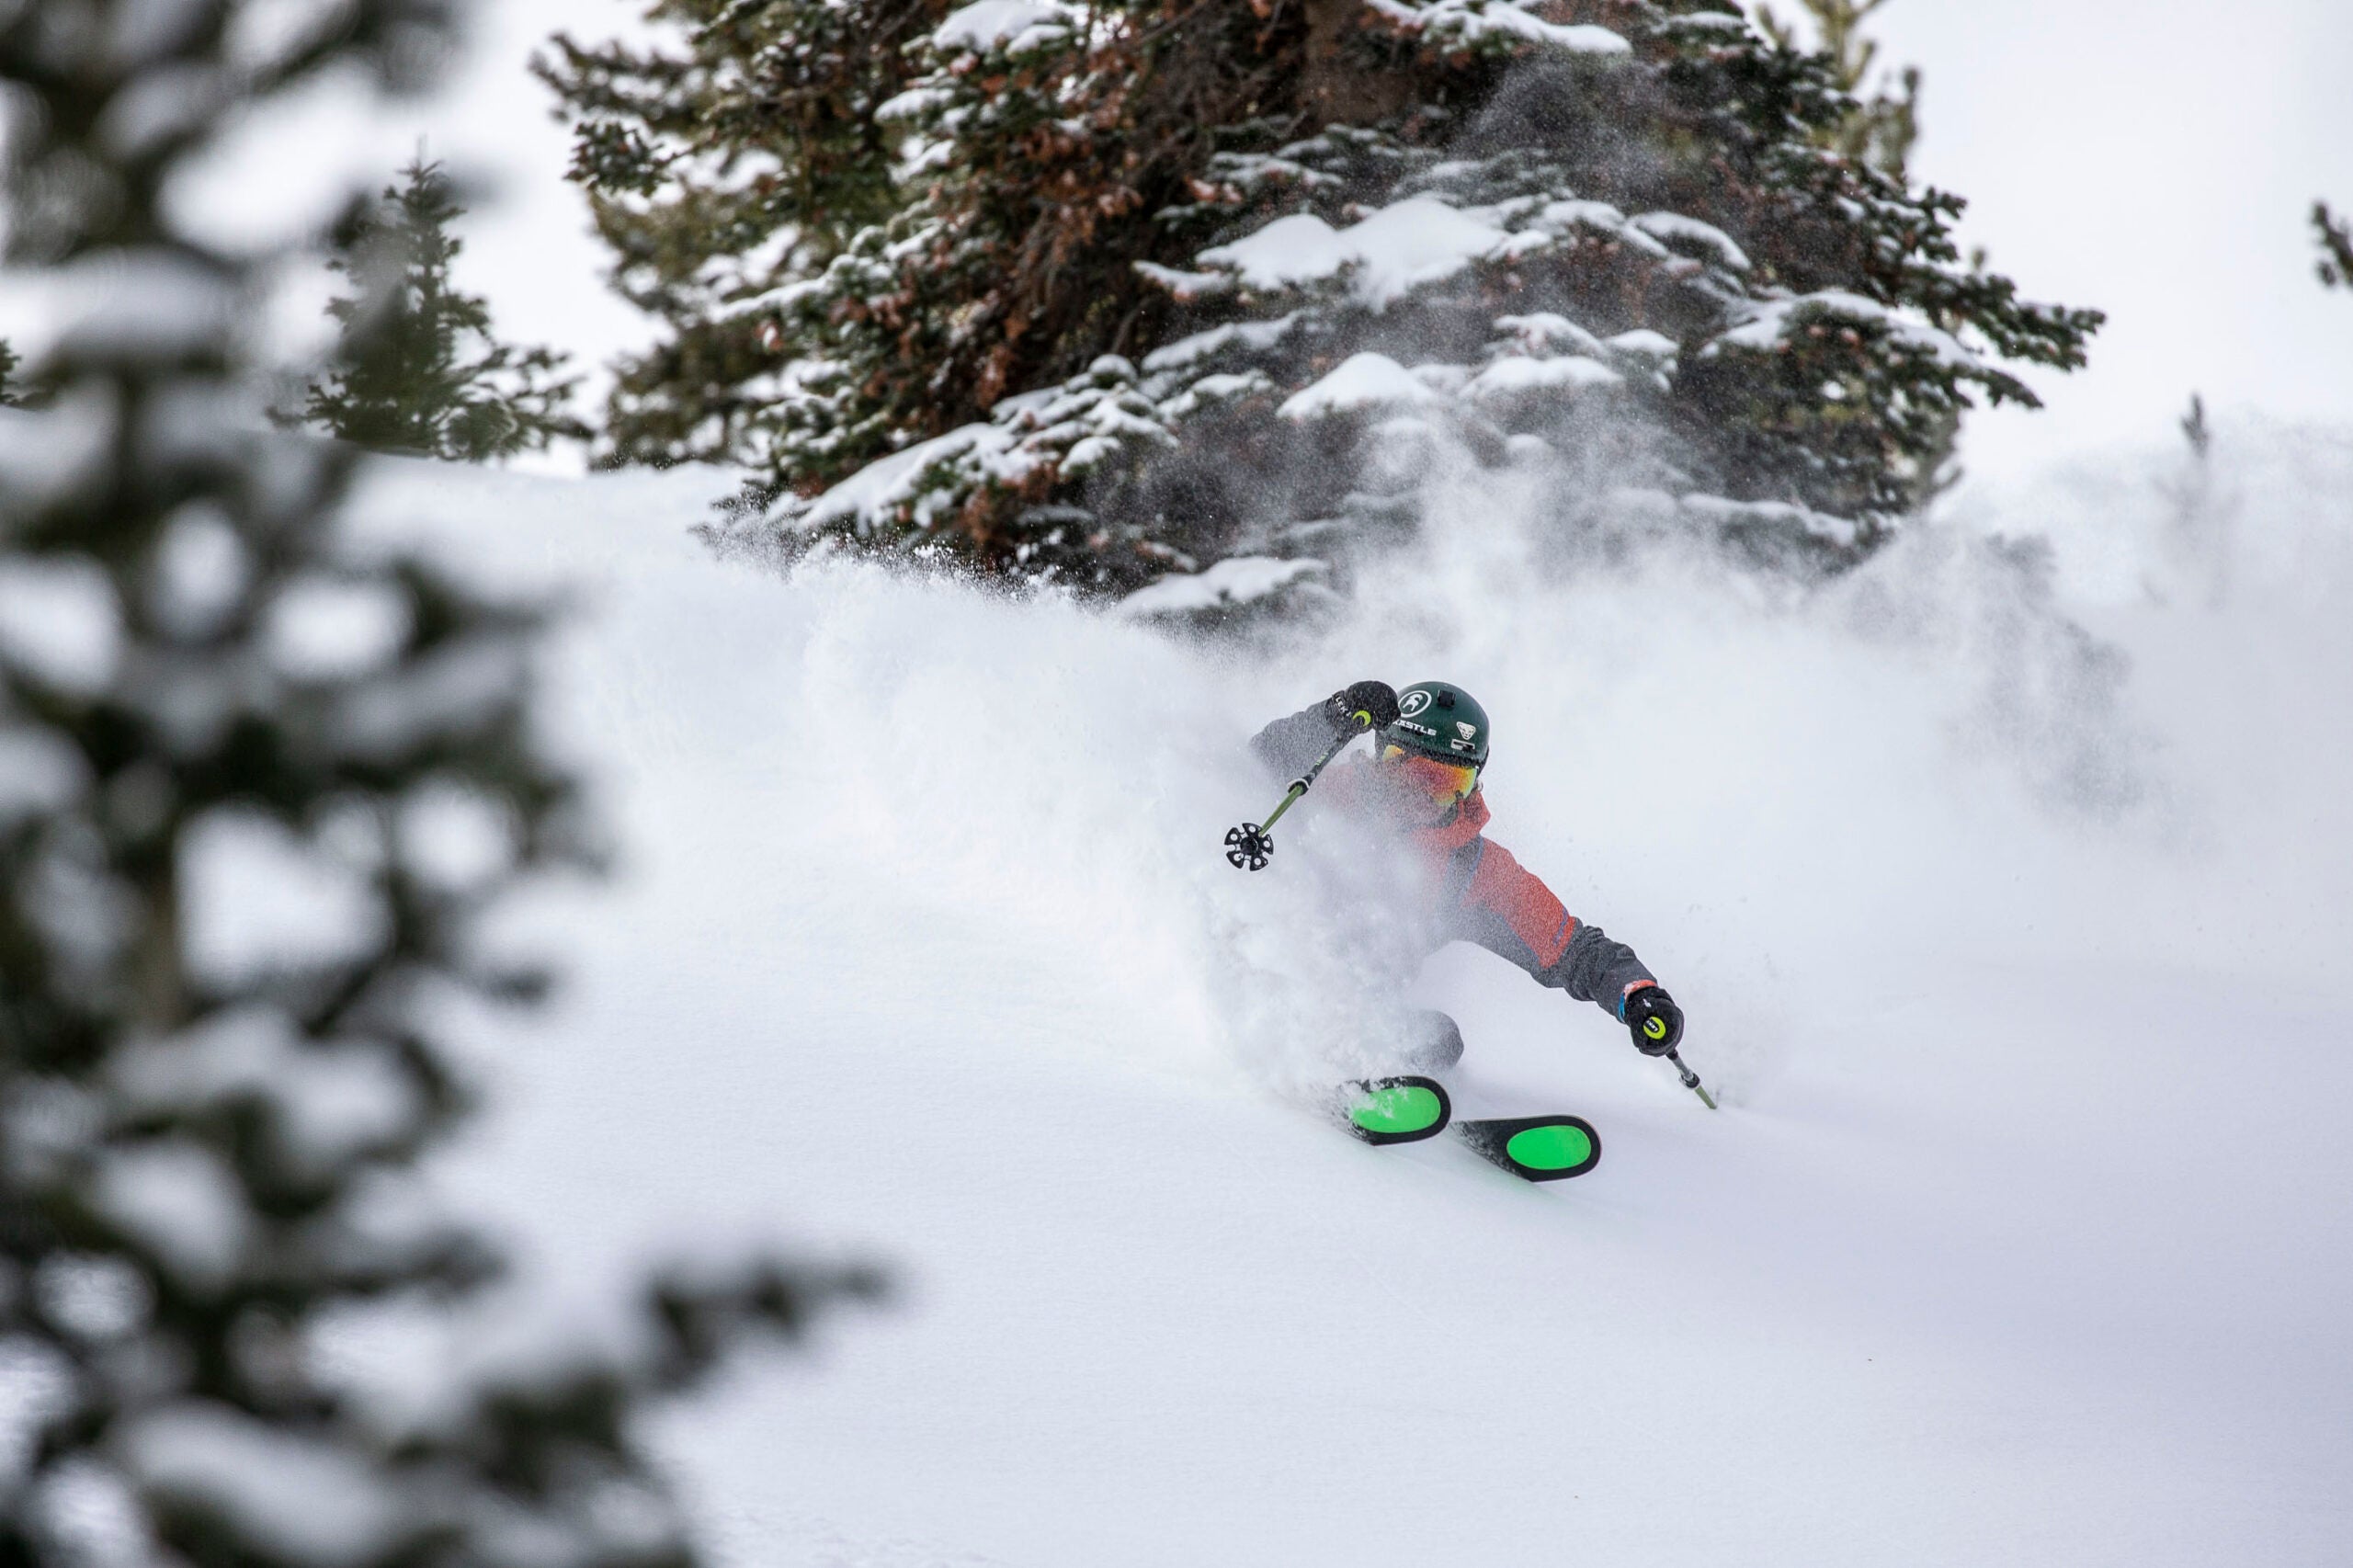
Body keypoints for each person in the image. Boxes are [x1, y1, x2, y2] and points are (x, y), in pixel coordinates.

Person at [1249, 678, 1683, 1071]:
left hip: (1356, 1016)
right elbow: (1255, 762)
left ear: (1472, 786)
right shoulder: (1324, 793)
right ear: (1381, 756)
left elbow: (1573, 951)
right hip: (1262, 970)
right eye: (1409, 772)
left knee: (1439, 1041)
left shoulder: (1472, 870)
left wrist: (1637, 995)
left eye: (1446, 782)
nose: (1422, 796)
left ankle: (1366, 1078)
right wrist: (1334, 715)